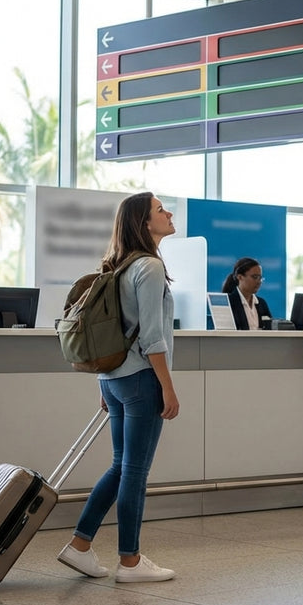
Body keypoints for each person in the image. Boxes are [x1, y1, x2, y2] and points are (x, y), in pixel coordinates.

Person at [57, 191, 180, 583]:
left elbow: (111, 331)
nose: (169, 213)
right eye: (161, 210)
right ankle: (130, 561)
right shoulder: (149, 267)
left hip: (113, 380)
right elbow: (152, 338)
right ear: (145, 223)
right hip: (142, 380)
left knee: (121, 466)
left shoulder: (119, 266)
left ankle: (80, 547)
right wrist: (168, 387)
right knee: (135, 472)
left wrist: (105, 382)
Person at [221, 257, 272, 330]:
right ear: (240, 277)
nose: (259, 281)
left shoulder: (261, 303)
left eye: (260, 278)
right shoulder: (228, 302)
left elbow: (270, 330)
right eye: (255, 277)